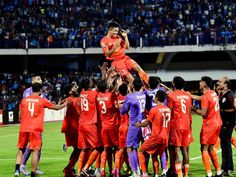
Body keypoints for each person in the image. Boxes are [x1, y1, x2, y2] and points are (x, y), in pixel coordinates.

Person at [13, 83, 68, 177]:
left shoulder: (24, 100)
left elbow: (19, 116)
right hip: (35, 129)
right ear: (40, 90)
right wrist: (64, 104)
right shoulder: (41, 100)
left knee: (21, 149)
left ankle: (17, 170)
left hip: (23, 128)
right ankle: (33, 174)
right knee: (35, 151)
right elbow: (56, 108)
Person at [192, 76, 223, 177]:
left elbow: (204, 113)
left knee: (204, 148)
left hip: (210, 124)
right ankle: (218, 171)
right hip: (218, 122)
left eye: (201, 81)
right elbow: (201, 97)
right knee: (210, 148)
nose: (199, 83)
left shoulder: (206, 97)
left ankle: (209, 174)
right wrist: (189, 95)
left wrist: (194, 108)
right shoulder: (212, 93)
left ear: (204, 84)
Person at [136, 90, 171, 177]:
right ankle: (157, 174)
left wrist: (139, 124)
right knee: (155, 154)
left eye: (155, 97)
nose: (154, 98)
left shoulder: (154, 109)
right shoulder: (168, 109)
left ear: (157, 98)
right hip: (165, 137)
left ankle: (144, 173)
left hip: (156, 137)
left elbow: (146, 123)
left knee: (140, 151)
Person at [120, 77, 146, 177]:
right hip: (142, 124)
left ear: (132, 86)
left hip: (134, 124)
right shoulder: (144, 94)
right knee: (135, 147)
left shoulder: (130, 97)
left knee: (129, 148)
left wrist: (120, 106)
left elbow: (123, 111)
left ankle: (135, 172)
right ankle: (139, 171)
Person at [20, 75, 45, 176]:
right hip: (30, 123)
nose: (41, 80)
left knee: (38, 145)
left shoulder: (41, 91)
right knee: (32, 145)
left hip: (37, 122)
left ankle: (35, 167)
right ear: (32, 81)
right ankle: (23, 165)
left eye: (40, 78)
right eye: (38, 79)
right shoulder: (28, 91)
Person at [77, 78, 102, 177]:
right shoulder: (93, 93)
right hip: (90, 124)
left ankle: (79, 173)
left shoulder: (82, 93)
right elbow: (102, 87)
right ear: (88, 84)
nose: (93, 83)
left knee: (83, 149)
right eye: (91, 82)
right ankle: (86, 168)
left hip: (81, 124)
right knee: (98, 147)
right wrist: (106, 74)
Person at [167, 76, 192, 177]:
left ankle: (180, 175)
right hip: (186, 125)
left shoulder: (171, 96)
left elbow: (169, 111)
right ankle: (186, 174)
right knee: (185, 150)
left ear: (173, 84)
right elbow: (189, 112)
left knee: (177, 150)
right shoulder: (188, 96)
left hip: (176, 125)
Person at [97, 79, 120, 177]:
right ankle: (115, 170)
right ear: (106, 87)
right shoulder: (111, 95)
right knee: (117, 149)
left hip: (104, 127)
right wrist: (117, 85)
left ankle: (103, 170)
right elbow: (115, 100)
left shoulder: (98, 96)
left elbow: (109, 92)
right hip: (113, 126)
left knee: (106, 149)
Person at [216, 77, 235, 176]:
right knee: (225, 145)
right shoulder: (221, 94)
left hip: (228, 123)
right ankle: (227, 168)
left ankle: (228, 168)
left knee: (226, 146)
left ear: (226, 84)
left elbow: (235, 108)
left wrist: (224, 111)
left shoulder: (230, 95)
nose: (218, 83)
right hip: (222, 123)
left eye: (220, 82)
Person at [61, 83, 81, 177]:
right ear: (70, 91)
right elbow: (79, 114)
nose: (77, 87)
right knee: (80, 149)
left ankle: (70, 169)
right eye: (74, 87)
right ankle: (69, 169)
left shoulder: (72, 99)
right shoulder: (72, 100)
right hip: (73, 128)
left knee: (78, 150)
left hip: (72, 128)